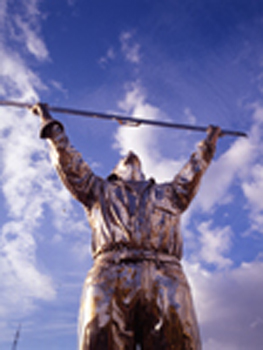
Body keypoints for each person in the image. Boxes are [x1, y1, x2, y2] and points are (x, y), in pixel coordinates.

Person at [31, 103, 222, 350]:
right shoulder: (96, 190)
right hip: (111, 275)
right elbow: (70, 162)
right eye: (122, 159)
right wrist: (49, 121)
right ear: (114, 172)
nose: (130, 154)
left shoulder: (169, 194)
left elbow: (192, 172)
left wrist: (208, 143)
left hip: (167, 278)